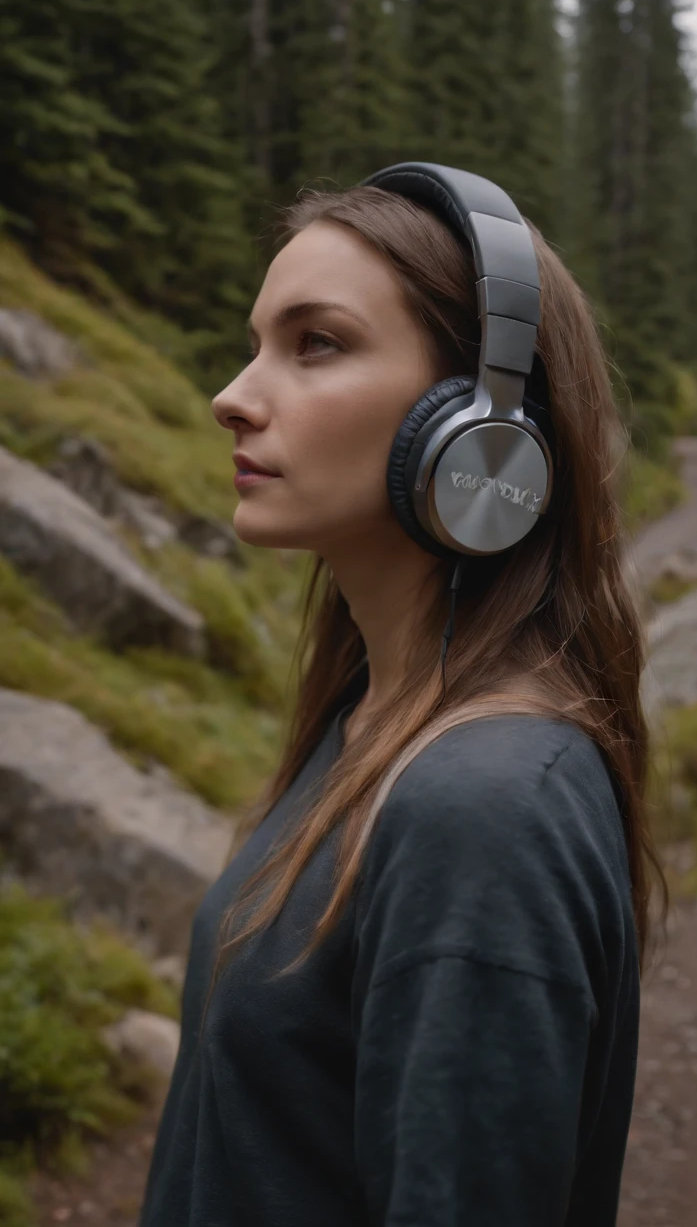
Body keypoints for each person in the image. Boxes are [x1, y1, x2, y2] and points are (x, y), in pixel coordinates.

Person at [139, 162, 666, 1227]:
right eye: (256, 343)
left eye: (316, 342)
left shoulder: (483, 808)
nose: (232, 396)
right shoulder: (375, 726)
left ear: (482, 428)